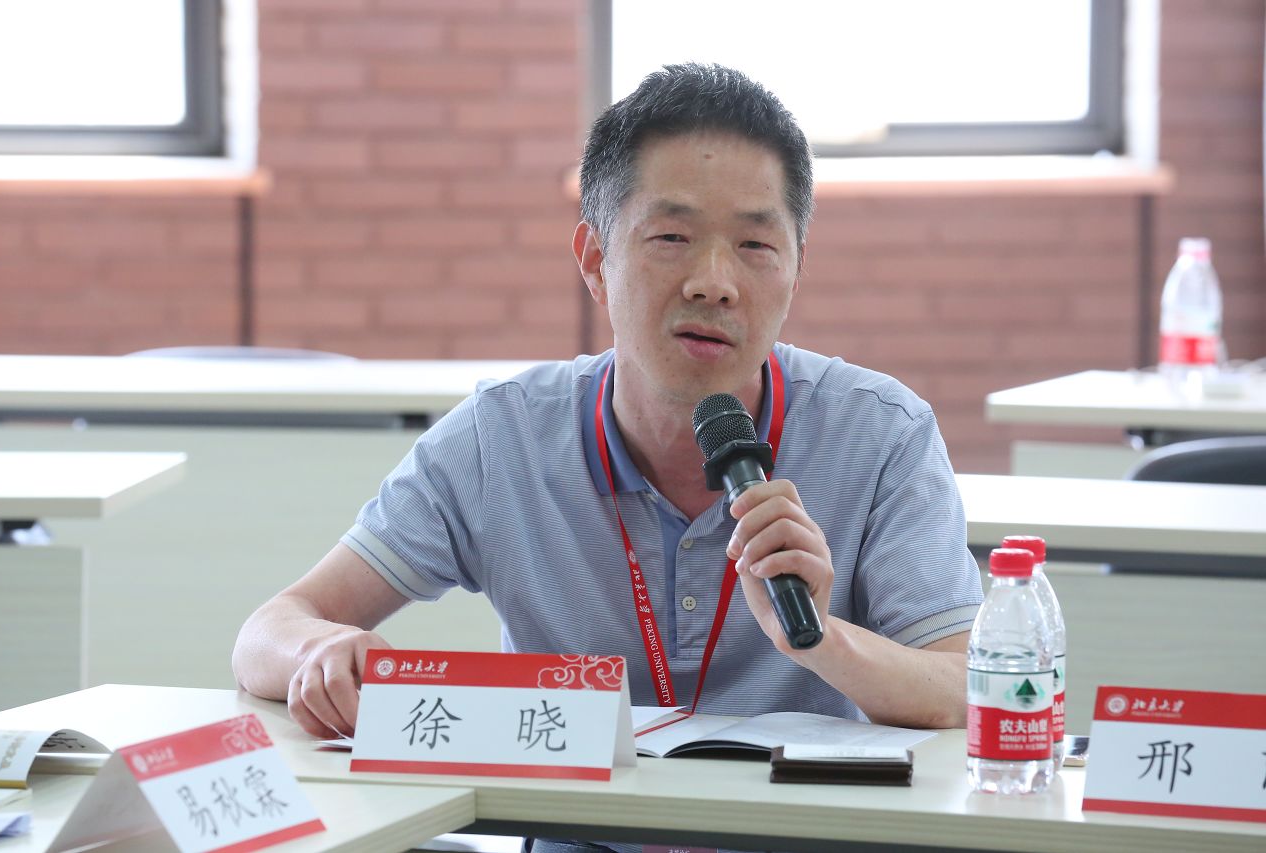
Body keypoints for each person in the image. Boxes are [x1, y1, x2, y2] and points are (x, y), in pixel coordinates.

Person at [233, 64, 982, 750]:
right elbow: (268, 631)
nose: (714, 282)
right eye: (672, 236)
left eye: (755, 246)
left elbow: (968, 691)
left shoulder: (882, 433)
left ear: (795, 270)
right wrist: (319, 653)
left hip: (803, 828)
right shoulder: (503, 437)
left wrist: (819, 639)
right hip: (580, 829)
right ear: (595, 260)